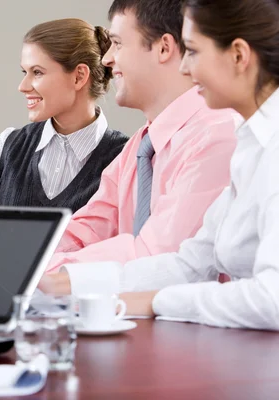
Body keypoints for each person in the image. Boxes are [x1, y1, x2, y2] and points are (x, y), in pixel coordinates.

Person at [55, 0, 279, 331]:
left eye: (193, 51)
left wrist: (157, 301)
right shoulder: (251, 147)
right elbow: (191, 263)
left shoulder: (249, 143)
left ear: (238, 56)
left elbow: (271, 299)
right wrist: (63, 281)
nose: (185, 68)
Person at [39, 0, 239, 296]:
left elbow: (158, 259)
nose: (106, 59)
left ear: (163, 48)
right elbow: (87, 230)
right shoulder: (142, 144)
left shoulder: (218, 135)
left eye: (117, 43)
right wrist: (31, 264)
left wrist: (54, 276)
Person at [0, 18, 128, 212]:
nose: (23, 86)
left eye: (37, 72)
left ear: (79, 76)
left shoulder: (126, 157)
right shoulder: (7, 147)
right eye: (24, 72)